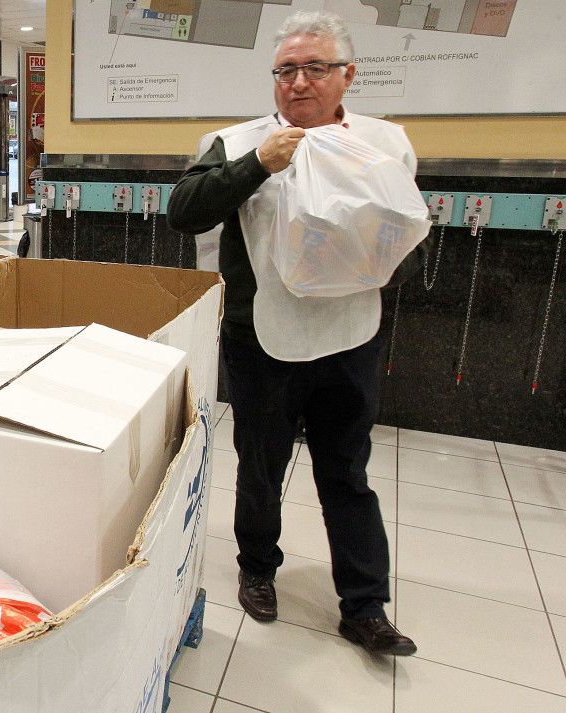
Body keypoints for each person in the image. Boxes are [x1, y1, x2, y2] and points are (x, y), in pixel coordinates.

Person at [167, 11, 426, 657]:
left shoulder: (383, 144)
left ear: (347, 76)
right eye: (286, 70)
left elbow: (407, 237)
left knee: (348, 470)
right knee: (261, 464)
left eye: (315, 68)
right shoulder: (237, 142)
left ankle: (364, 606)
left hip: (349, 332)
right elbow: (183, 211)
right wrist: (257, 163)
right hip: (263, 337)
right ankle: (257, 566)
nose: (299, 82)